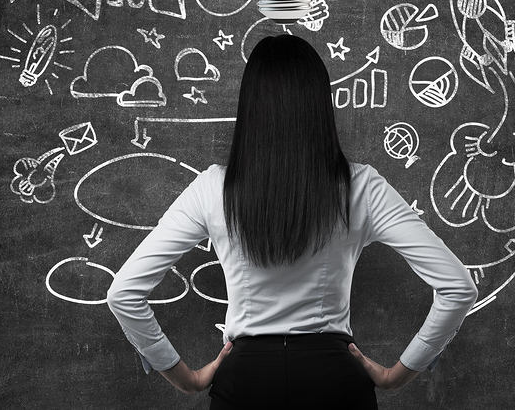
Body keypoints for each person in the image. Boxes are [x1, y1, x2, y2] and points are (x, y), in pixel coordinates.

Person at [107, 34, 477, 408]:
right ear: (319, 102)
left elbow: (123, 293)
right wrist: (398, 375)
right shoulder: (362, 186)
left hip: (246, 382)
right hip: (335, 379)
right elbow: (459, 287)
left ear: (250, 105)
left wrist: (184, 377)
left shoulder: (212, 188)